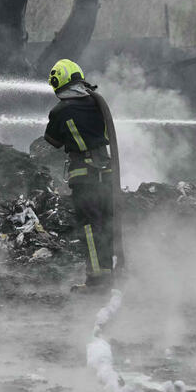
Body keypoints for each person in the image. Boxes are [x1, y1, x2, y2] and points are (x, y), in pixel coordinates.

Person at [43, 59, 116, 291]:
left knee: (89, 227)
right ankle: (109, 273)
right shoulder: (97, 103)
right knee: (105, 224)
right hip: (107, 172)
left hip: (84, 177)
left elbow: (52, 140)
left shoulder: (60, 110)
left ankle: (97, 282)